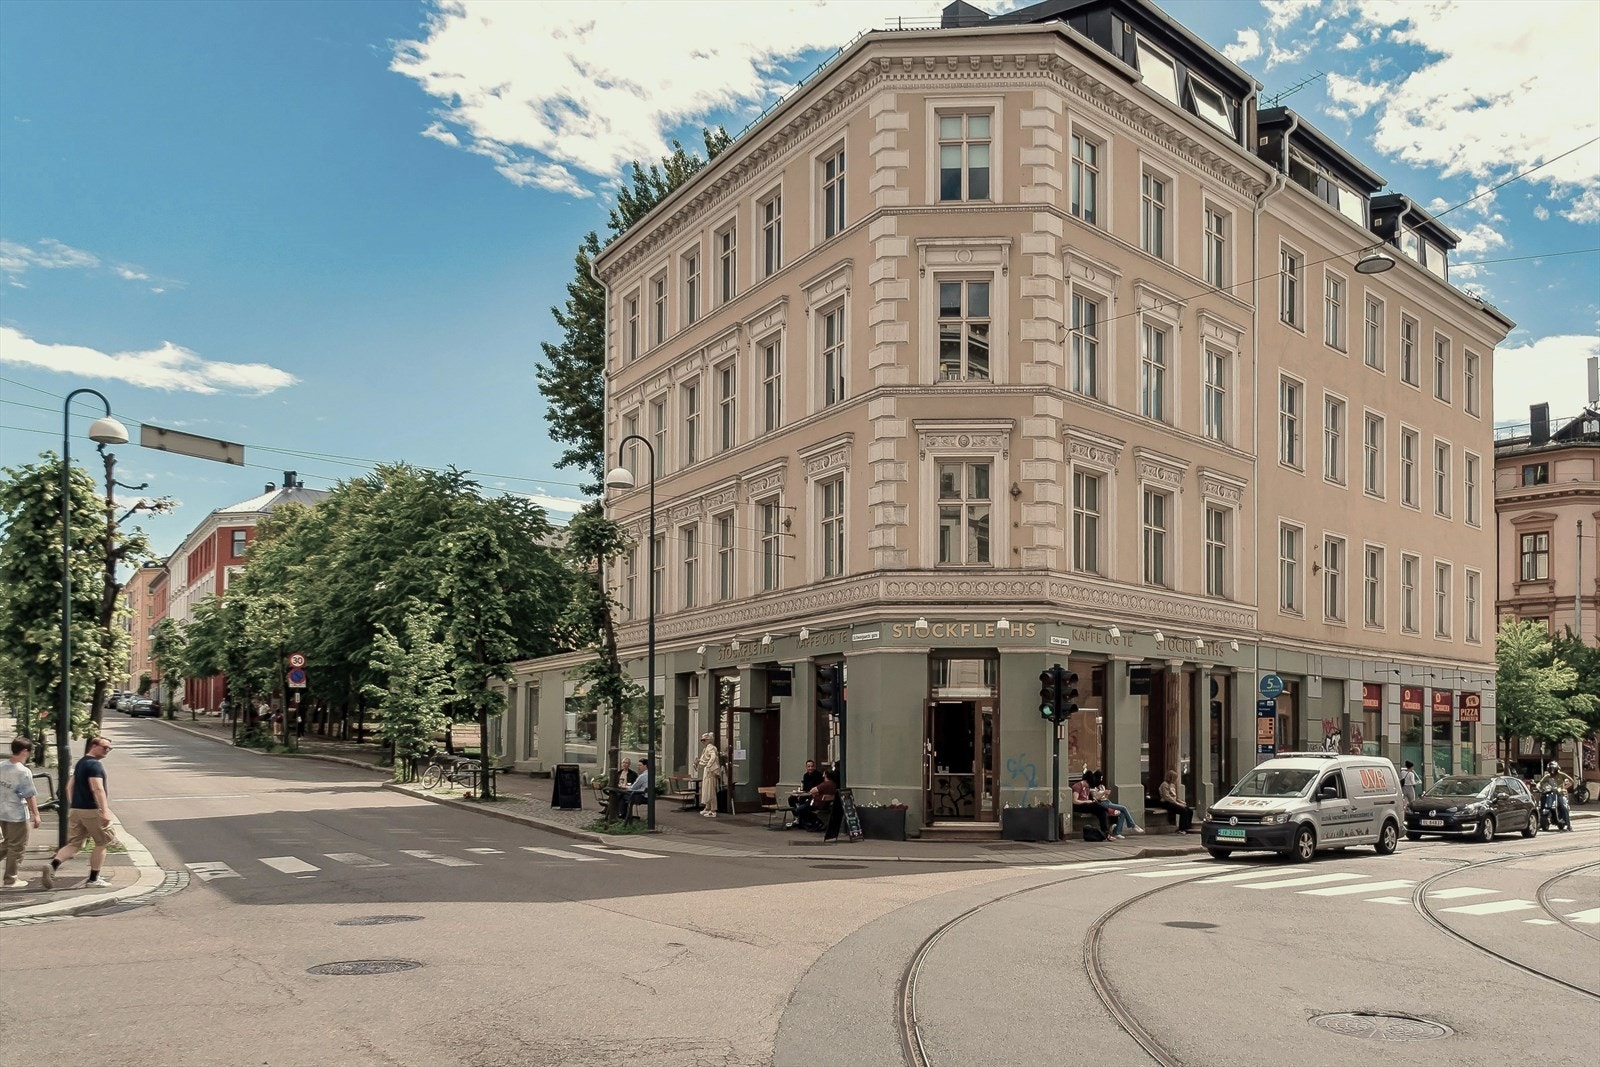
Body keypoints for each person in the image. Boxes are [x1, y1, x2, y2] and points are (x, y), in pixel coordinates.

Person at [41, 735, 118, 889]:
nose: (107, 750)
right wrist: (104, 810)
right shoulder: (94, 765)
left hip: (76, 809)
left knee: (74, 844)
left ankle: (53, 866)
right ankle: (94, 879)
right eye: (104, 747)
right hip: (92, 810)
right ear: (93, 746)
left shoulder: (81, 763)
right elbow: (97, 788)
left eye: (110, 748)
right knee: (103, 842)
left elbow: (69, 787)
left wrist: (74, 804)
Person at [2, 738, 42, 889]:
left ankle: (10, 878)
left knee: (7, 843)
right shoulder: (23, 772)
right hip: (16, 813)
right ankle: (11, 879)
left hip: (2, 811)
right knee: (17, 847)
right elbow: (29, 795)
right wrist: (36, 814)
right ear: (25, 751)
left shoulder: (1, 766)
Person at [1090, 771, 1142, 837]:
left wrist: (1107, 794)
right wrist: (1103, 793)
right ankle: (1133, 825)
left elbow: (1105, 797)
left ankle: (1117, 832)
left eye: (1102, 778)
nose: (1101, 780)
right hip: (1101, 804)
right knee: (1123, 808)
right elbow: (1096, 798)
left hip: (1107, 801)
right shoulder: (1092, 788)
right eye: (1100, 778)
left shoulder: (1102, 786)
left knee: (1122, 813)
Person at [1536, 761, 1575, 831]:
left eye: (1554, 770)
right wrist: (1539, 787)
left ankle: (1568, 825)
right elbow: (1540, 783)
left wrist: (1564, 787)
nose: (1552, 772)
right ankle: (1541, 822)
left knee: (1564, 806)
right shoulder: (1547, 776)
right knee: (1544, 805)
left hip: (1560, 794)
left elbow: (1571, 781)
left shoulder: (1561, 774)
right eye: (1551, 770)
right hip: (1551, 794)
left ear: (1557, 769)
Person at [1154, 769, 1194, 834]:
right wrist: (1178, 804)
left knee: (1189, 810)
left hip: (1173, 802)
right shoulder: (1164, 785)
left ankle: (1187, 827)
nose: (1175, 780)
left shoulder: (1172, 785)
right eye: (1174, 778)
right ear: (1171, 777)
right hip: (1166, 803)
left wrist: (1181, 802)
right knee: (1183, 811)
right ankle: (1182, 829)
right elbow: (1167, 797)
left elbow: (1175, 796)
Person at [696, 733, 723, 818]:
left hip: (710, 771)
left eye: (704, 740)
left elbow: (713, 757)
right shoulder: (707, 748)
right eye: (702, 740)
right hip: (707, 770)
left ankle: (713, 810)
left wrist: (709, 765)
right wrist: (699, 762)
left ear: (709, 740)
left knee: (710, 790)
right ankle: (707, 807)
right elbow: (706, 759)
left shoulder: (711, 747)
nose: (702, 741)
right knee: (707, 789)